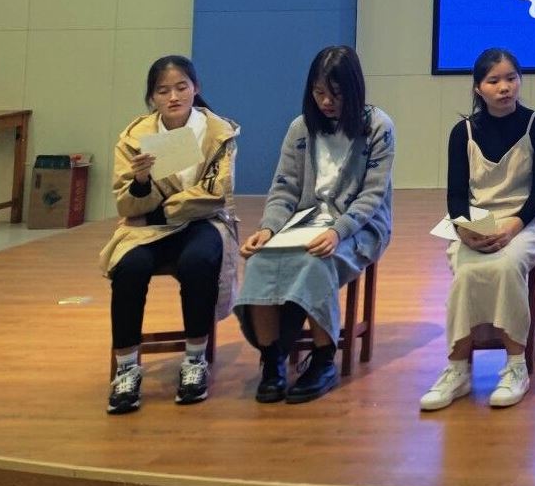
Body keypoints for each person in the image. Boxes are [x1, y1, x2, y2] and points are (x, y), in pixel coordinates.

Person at [236, 45, 396, 405]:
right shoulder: (300, 128)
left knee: (314, 262)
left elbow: (371, 196)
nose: (326, 102)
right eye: (319, 92)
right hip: (304, 222)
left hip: (360, 226)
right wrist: (268, 229)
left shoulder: (378, 127)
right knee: (259, 261)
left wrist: (337, 231)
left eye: (336, 94)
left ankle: (324, 359)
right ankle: (272, 359)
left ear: (354, 91)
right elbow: (284, 188)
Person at [99, 55, 239, 414]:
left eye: (181, 87)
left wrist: (163, 209)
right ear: (152, 97)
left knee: (199, 261)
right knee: (128, 267)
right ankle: (127, 368)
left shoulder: (218, 132)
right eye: (163, 91)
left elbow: (216, 194)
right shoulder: (134, 138)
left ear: (196, 88)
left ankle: (195, 360)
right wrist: (141, 181)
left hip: (202, 223)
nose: (173, 97)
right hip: (148, 229)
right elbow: (125, 204)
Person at [420, 48, 535, 411]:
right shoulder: (462, 132)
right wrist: (466, 230)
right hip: (477, 223)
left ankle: (515, 365)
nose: (504, 87)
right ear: (478, 87)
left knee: (507, 266)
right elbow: (456, 195)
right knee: (466, 271)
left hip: (524, 221)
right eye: (494, 81)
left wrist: (512, 227)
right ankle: (457, 368)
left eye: (511, 78)